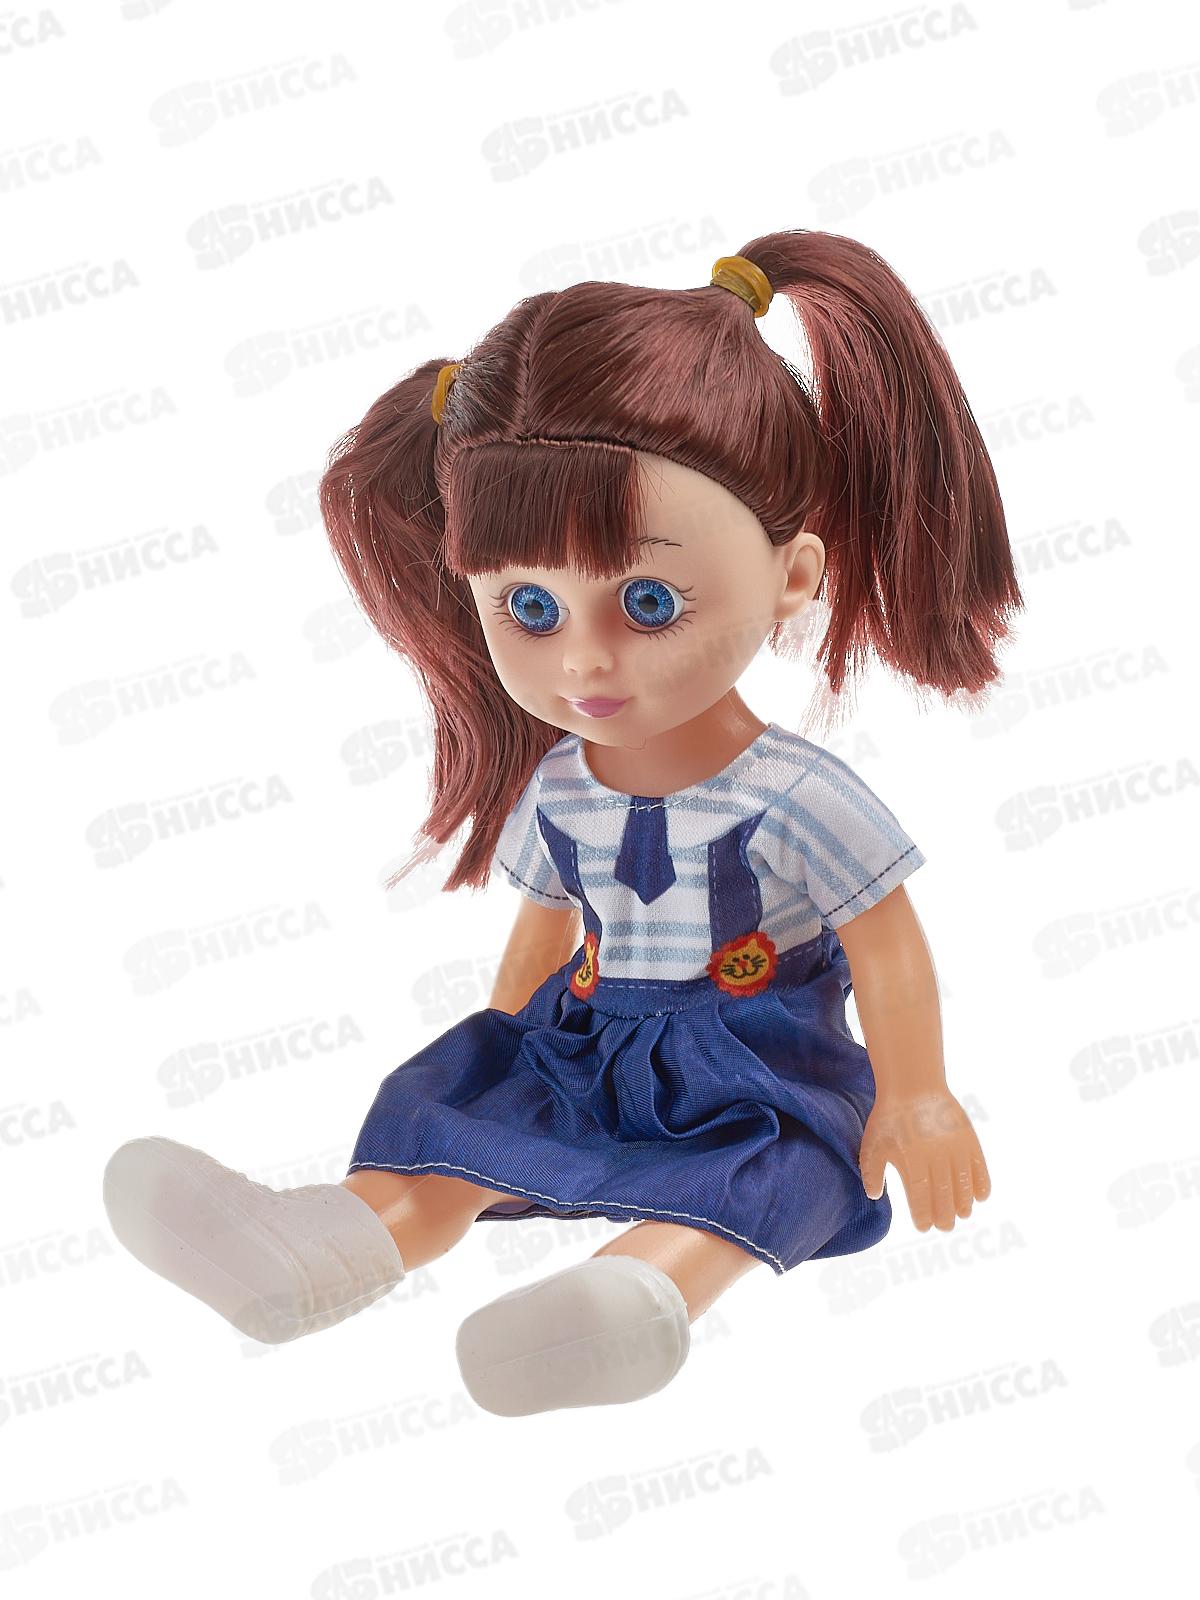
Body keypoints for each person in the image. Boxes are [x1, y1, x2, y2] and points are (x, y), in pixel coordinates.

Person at [103, 233, 1020, 1418]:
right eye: (529, 606)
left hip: (754, 1059)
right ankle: (324, 1247)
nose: (584, 660)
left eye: (647, 601)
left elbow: (886, 944)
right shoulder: (563, 787)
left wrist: (917, 1092)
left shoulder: (797, 795)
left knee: (785, 1166)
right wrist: (504, 1047)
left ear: (794, 575)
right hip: (585, 1037)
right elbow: (544, 924)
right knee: (464, 1117)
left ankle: (636, 1297)